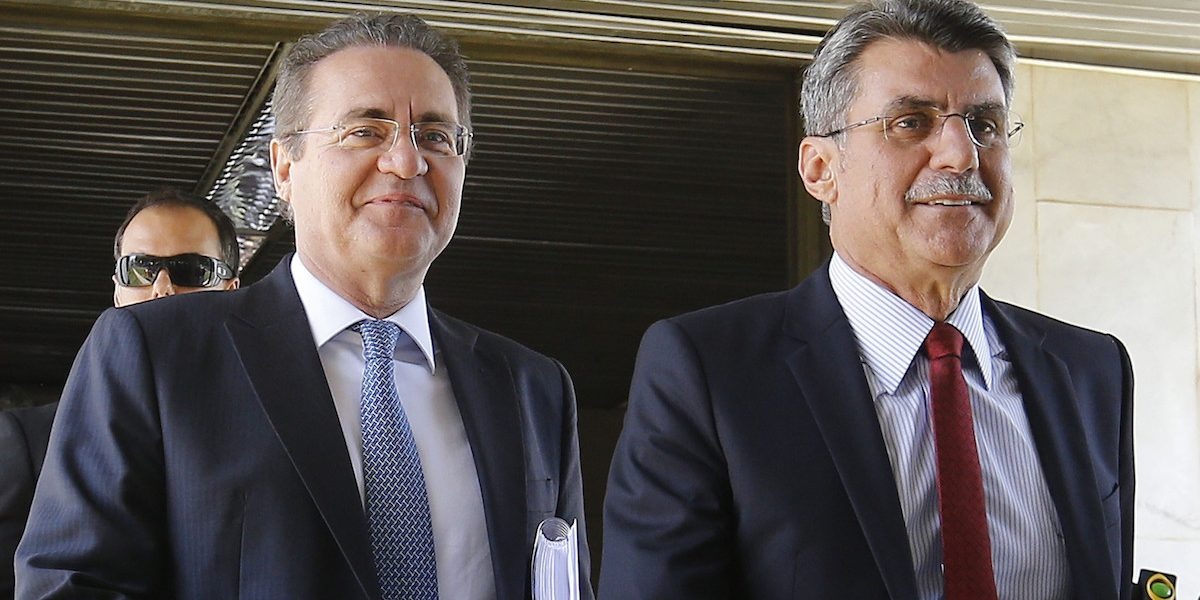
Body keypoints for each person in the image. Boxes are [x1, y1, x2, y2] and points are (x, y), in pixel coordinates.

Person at [16, 13, 592, 600]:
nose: (406, 162)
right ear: (284, 168)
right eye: (365, 131)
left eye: (437, 137)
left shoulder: (533, 388)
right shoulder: (158, 354)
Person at [599, 1, 1134, 599]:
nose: (961, 155)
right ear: (821, 169)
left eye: (984, 125)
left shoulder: (1091, 370)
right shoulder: (710, 369)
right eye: (911, 122)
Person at [0, 187, 240, 599]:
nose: (162, 288)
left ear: (233, 291)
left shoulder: (279, 429)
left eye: (190, 271)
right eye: (140, 269)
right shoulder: (26, 441)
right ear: (117, 291)